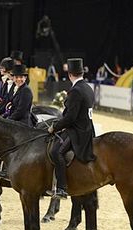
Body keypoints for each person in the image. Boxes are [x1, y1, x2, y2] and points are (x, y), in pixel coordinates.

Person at [48, 58, 96, 199]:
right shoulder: (87, 87)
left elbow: (70, 118)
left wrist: (55, 127)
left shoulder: (75, 91)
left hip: (78, 130)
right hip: (88, 127)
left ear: (70, 74)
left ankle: (62, 188)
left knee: (55, 152)